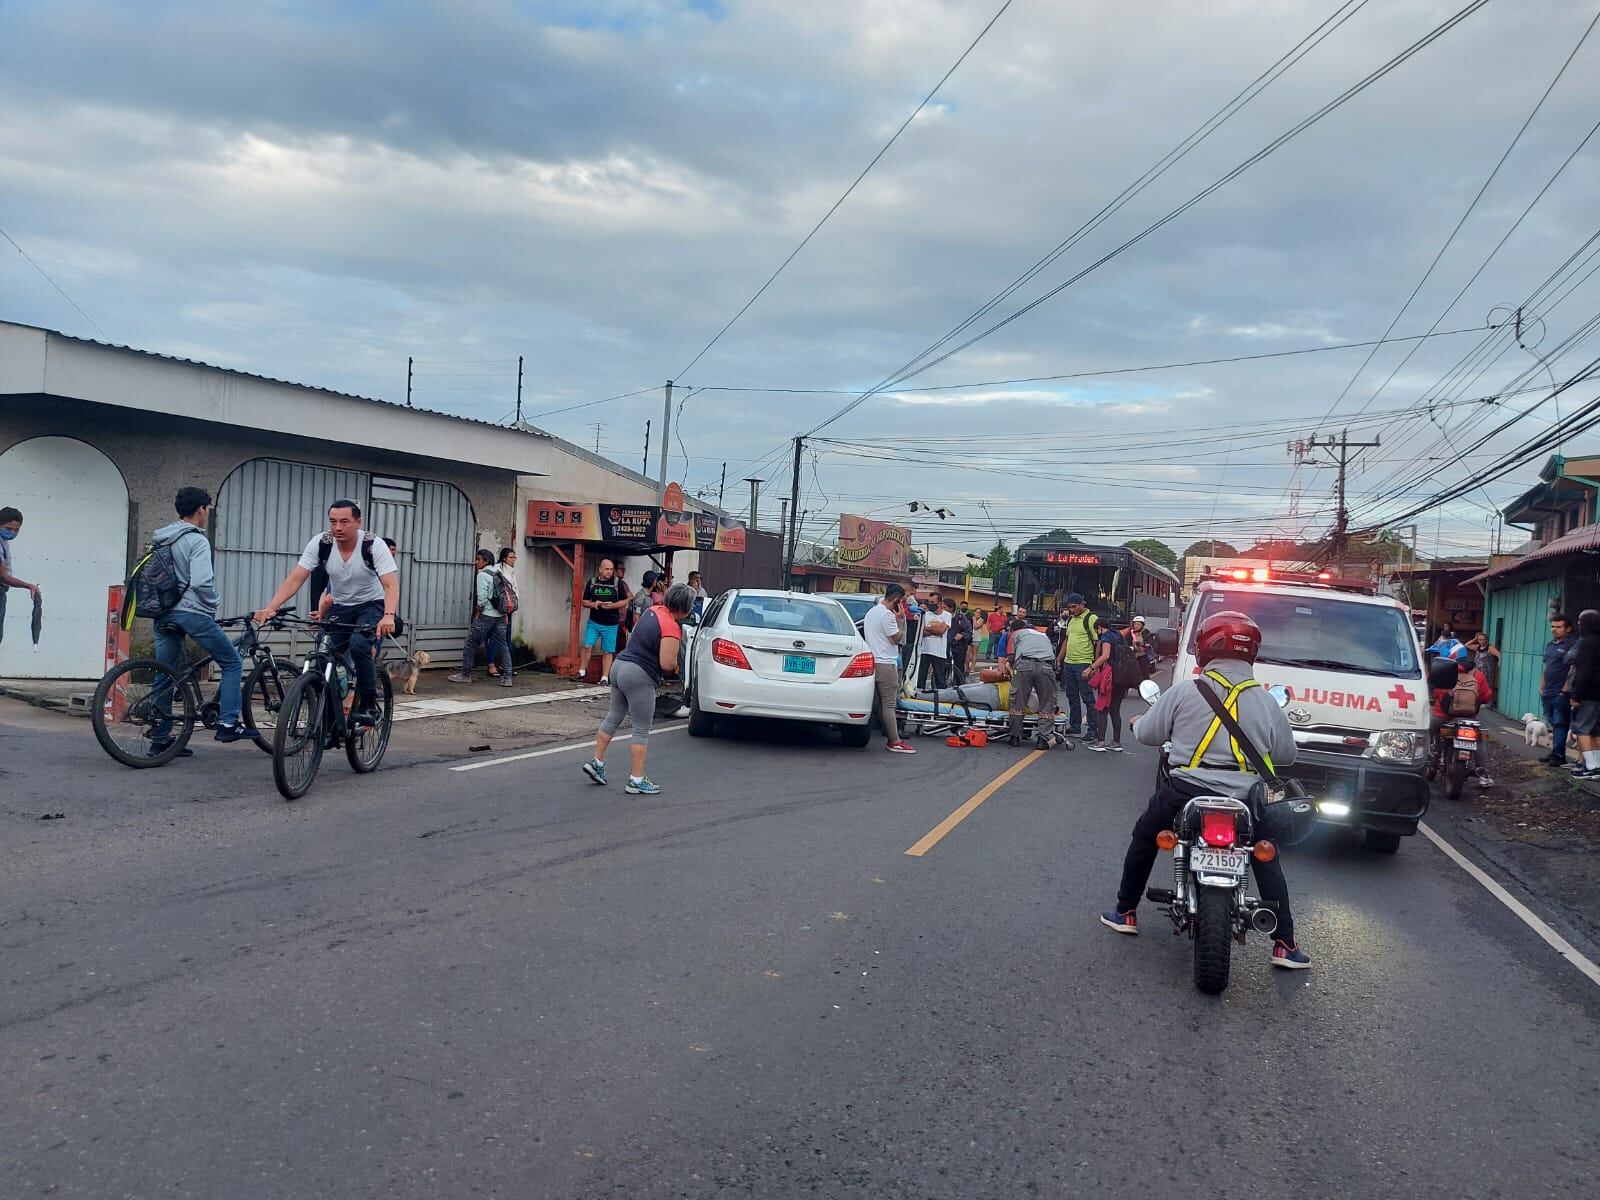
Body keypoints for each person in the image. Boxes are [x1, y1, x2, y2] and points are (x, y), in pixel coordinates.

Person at [1100, 610, 1310, 969]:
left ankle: (1126, 911)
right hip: (1246, 797)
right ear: (1251, 653)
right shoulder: (1264, 700)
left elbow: (1150, 735)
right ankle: (1285, 944)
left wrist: (1135, 723)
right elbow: (1287, 755)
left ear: (1205, 647)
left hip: (1186, 790)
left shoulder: (1185, 690)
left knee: (1145, 835)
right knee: (1265, 854)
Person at [255, 498, 398, 726]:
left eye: (344, 522)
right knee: (323, 654)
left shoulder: (373, 545)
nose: (338, 527)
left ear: (358, 522)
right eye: (333, 522)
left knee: (360, 645)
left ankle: (368, 704)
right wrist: (272, 607)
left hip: (371, 604)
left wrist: (388, 614)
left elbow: (390, 584)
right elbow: (296, 578)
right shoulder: (322, 543)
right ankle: (330, 715)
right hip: (340, 606)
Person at [148, 487, 252, 753]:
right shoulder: (196, 540)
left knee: (164, 674)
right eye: (208, 509)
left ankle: (160, 741)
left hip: (162, 614)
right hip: (190, 612)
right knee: (231, 662)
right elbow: (202, 582)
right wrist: (213, 604)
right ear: (201, 510)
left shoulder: (163, 537)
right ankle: (228, 723)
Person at [582, 581, 694, 794]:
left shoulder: (653, 611)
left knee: (613, 716)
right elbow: (667, 664)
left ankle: (597, 762)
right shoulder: (671, 626)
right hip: (639, 675)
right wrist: (677, 666)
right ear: (685, 608)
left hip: (619, 666)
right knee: (641, 729)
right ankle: (636, 779)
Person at [1427, 645, 1494, 788]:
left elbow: (1432, 688)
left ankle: (1426, 757)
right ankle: (1483, 774)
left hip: (1442, 716)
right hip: (1469, 718)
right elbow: (1486, 697)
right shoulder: (1477, 674)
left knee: (1426, 731)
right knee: (1479, 740)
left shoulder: (1441, 670)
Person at [864, 584, 915, 754]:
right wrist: (901, 620)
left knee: (879, 703)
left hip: (873, 660)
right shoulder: (887, 616)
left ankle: (890, 734)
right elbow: (896, 639)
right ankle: (894, 740)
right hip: (885, 662)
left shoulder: (872, 612)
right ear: (896, 600)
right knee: (889, 703)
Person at [450, 550, 513, 686]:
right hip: (501, 615)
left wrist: (478, 615)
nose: (476, 562)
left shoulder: (482, 575)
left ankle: (465, 674)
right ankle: (507, 678)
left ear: (485, 560)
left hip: (487, 616)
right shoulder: (499, 572)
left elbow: (482, 599)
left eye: (478, 559)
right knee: (503, 645)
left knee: (471, 642)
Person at [1055, 593, 1101, 747]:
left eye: (1074, 607)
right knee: (1071, 696)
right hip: (1069, 663)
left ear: (1082, 604)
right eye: (1069, 608)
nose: (1071, 610)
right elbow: (1067, 640)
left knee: (1087, 697)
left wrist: (1093, 665)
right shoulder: (1071, 620)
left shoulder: (1091, 618)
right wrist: (1059, 658)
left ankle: (1093, 729)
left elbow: (1098, 642)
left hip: (1084, 663)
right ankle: (1075, 726)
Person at [1006, 615, 1058, 748]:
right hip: (1046, 666)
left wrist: (1009, 668)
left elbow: (1011, 657)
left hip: (1024, 665)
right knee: (1047, 702)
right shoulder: (1044, 636)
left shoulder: (1016, 634)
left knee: (1018, 700)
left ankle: (1015, 737)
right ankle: (1042, 740)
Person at [1087, 622, 1138, 752]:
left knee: (1102, 708)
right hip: (1123, 677)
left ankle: (1100, 742)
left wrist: (1091, 667)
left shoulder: (1106, 638)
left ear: (1100, 628)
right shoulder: (1119, 636)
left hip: (1110, 677)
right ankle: (1116, 742)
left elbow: (1106, 655)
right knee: (1115, 710)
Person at [579, 557, 627, 682]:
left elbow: (625, 601)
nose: (609, 572)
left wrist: (613, 605)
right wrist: (595, 604)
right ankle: (582, 671)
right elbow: (584, 601)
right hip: (594, 622)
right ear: (600, 569)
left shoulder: (618, 584)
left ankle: (605, 677)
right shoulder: (592, 582)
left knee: (607, 651)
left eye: (611, 569)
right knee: (587, 645)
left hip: (611, 624)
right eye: (607, 569)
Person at [1541, 614, 1577, 767]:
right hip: (1547, 691)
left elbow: (1573, 667)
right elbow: (1546, 667)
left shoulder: (1572, 645)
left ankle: (1558, 755)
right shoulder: (1550, 645)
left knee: (1560, 723)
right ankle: (1555, 751)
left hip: (1560, 692)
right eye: (1553, 626)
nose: (1554, 629)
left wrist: (1565, 689)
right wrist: (1541, 685)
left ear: (1568, 629)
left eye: (1558, 627)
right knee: (1552, 721)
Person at [1567, 610, 1600, 778]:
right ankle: (1597, 764)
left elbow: (1584, 672)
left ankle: (1591, 767)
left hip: (1588, 693)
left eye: (1580, 621)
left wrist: (1576, 696)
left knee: (1583, 729)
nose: (1578, 624)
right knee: (1595, 730)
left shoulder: (1587, 644)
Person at [0, 505, 40, 641]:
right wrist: (28, 585)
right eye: (8, 528)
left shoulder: (3, 541)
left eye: (16, 530)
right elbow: (3, 576)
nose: (12, 532)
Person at [488, 547, 518, 680]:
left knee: (507, 637)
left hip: (508, 608)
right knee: (494, 637)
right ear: (505, 558)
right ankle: (491, 664)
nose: (513, 560)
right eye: (511, 557)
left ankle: (506, 666)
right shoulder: (497, 570)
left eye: (514, 557)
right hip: (497, 608)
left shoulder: (511, 572)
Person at [917, 598, 951, 691]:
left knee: (939, 678)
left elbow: (941, 630)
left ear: (939, 603)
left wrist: (928, 628)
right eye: (929, 602)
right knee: (921, 676)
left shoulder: (946, 615)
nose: (930, 604)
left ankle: (941, 697)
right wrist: (935, 629)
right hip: (925, 650)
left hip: (939, 652)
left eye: (933, 602)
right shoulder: (925, 615)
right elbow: (921, 631)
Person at [949, 598, 975, 679]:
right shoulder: (941, 617)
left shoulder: (961, 618)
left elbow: (969, 631)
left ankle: (959, 683)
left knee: (959, 666)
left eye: (945, 608)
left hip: (959, 646)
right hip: (945, 646)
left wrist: (962, 635)